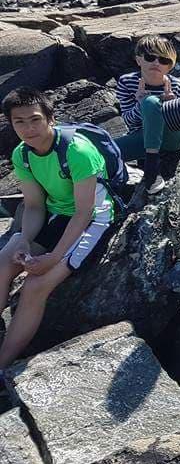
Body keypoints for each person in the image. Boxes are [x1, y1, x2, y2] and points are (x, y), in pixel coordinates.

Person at [0, 88, 116, 370]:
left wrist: (53, 258)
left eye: (35, 119)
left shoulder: (77, 152)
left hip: (93, 218)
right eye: (20, 122)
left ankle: (2, 364)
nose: (29, 128)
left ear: (51, 118)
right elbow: (35, 205)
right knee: (3, 263)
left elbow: (83, 211)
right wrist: (26, 241)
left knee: (36, 285)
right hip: (56, 213)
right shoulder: (23, 155)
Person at [114, 35, 180, 195]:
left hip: (171, 137)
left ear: (170, 66)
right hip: (142, 136)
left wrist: (172, 107)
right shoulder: (127, 83)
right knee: (107, 151)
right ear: (139, 59)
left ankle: (151, 167)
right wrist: (140, 104)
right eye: (150, 57)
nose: (156, 63)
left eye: (163, 60)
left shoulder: (175, 85)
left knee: (150, 102)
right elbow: (129, 121)